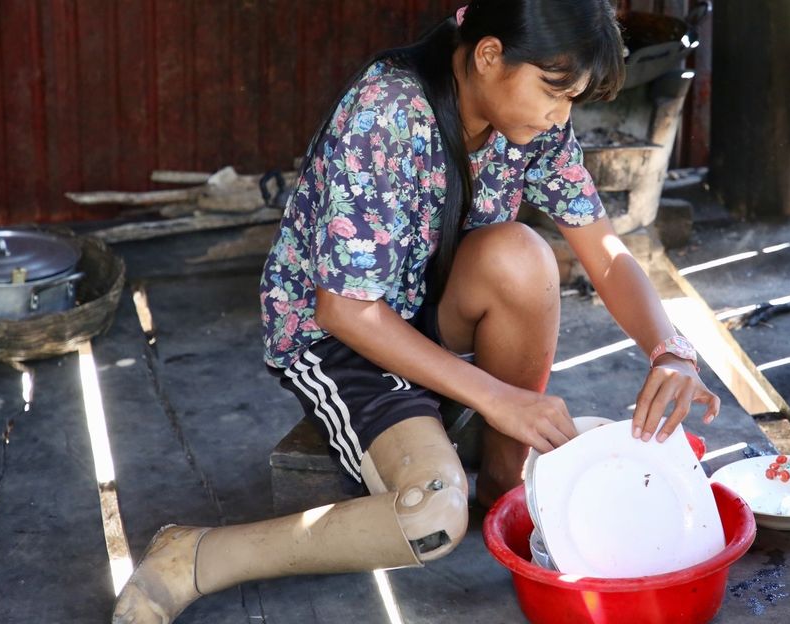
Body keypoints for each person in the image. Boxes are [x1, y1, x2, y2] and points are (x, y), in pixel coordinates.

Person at [112, 1, 720, 621]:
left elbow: (605, 251)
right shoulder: (386, 115)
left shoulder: (533, 128)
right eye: (553, 92)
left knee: (522, 255)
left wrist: (670, 349)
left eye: (572, 101)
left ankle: (504, 485)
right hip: (340, 339)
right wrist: (497, 397)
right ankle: (196, 554)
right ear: (489, 56)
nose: (561, 115)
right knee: (432, 516)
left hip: (426, 315)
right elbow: (345, 312)